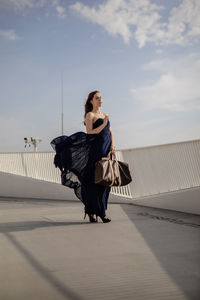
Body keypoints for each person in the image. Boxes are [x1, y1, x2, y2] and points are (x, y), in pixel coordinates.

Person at [50, 90, 116, 223]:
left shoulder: (104, 114)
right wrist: (103, 123)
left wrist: (112, 147)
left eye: (100, 98)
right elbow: (90, 132)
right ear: (91, 101)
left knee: (105, 183)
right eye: (97, 98)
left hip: (106, 152)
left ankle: (101, 212)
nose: (100, 100)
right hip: (95, 152)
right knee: (93, 183)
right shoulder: (89, 115)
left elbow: (110, 132)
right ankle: (93, 212)